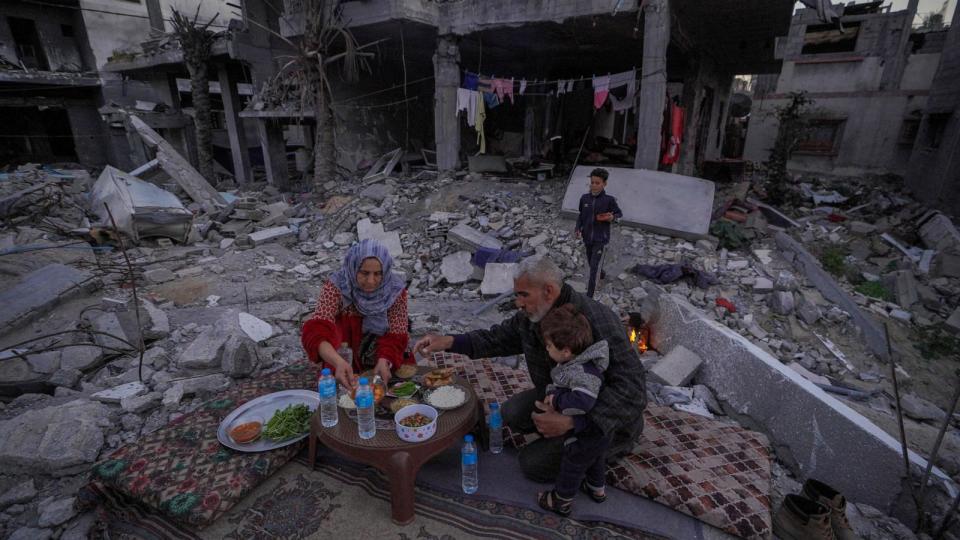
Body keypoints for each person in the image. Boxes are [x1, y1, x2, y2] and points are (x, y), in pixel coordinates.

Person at [413, 256, 646, 484]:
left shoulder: (598, 321)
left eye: (524, 295)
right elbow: (497, 339)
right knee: (512, 413)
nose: (518, 303)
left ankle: (607, 449)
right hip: (563, 395)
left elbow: (633, 392)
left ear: (549, 291)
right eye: (517, 295)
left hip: (602, 415)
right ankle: (562, 433)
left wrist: (574, 424)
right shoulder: (533, 316)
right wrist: (448, 341)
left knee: (532, 464)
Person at [301, 239, 412, 391]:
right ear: (353, 268)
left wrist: (385, 359)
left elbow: (397, 333)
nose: (371, 281)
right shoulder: (337, 286)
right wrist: (338, 362)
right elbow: (317, 331)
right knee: (343, 388)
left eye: (378, 274)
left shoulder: (394, 290)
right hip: (345, 353)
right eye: (364, 273)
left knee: (396, 387)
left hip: (380, 349)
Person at [536, 304, 610, 516]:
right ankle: (597, 490)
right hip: (599, 430)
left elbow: (582, 402)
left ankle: (561, 500)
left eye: (549, 346)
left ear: (566, 351)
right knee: (595, 458)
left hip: (589, 430)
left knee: (573, 463)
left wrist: (556, 399)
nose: (547, 349)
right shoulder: (575, 363)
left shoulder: (584, 372)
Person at [575, 167, 622, 298]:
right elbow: (581, 215)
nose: (594, 186)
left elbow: (619, 214)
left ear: (604, 184)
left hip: (601, 239)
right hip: (587, 237)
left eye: (598, 183)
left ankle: (589, 296)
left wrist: (612, 217)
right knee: (591, 262)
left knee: (593, 268)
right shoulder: (584, 199)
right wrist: (578, 228)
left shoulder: (609, 200)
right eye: (592, 182)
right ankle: (602, 274)